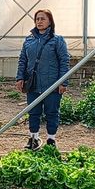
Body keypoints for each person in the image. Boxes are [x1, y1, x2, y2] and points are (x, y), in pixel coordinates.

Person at [16, 9, 70, 149]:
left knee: (52, 112)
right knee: (33, 111)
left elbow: (64, 61)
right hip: (33, 83)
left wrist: (63, 82)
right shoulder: (29, 40)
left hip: (52, 84)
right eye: (37, 19)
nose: (39, 21)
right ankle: (33, 138)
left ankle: (51, 139)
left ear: (50, 21)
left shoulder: (57, 40)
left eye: (42, 19)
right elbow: (23, 60)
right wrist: (20, 77)